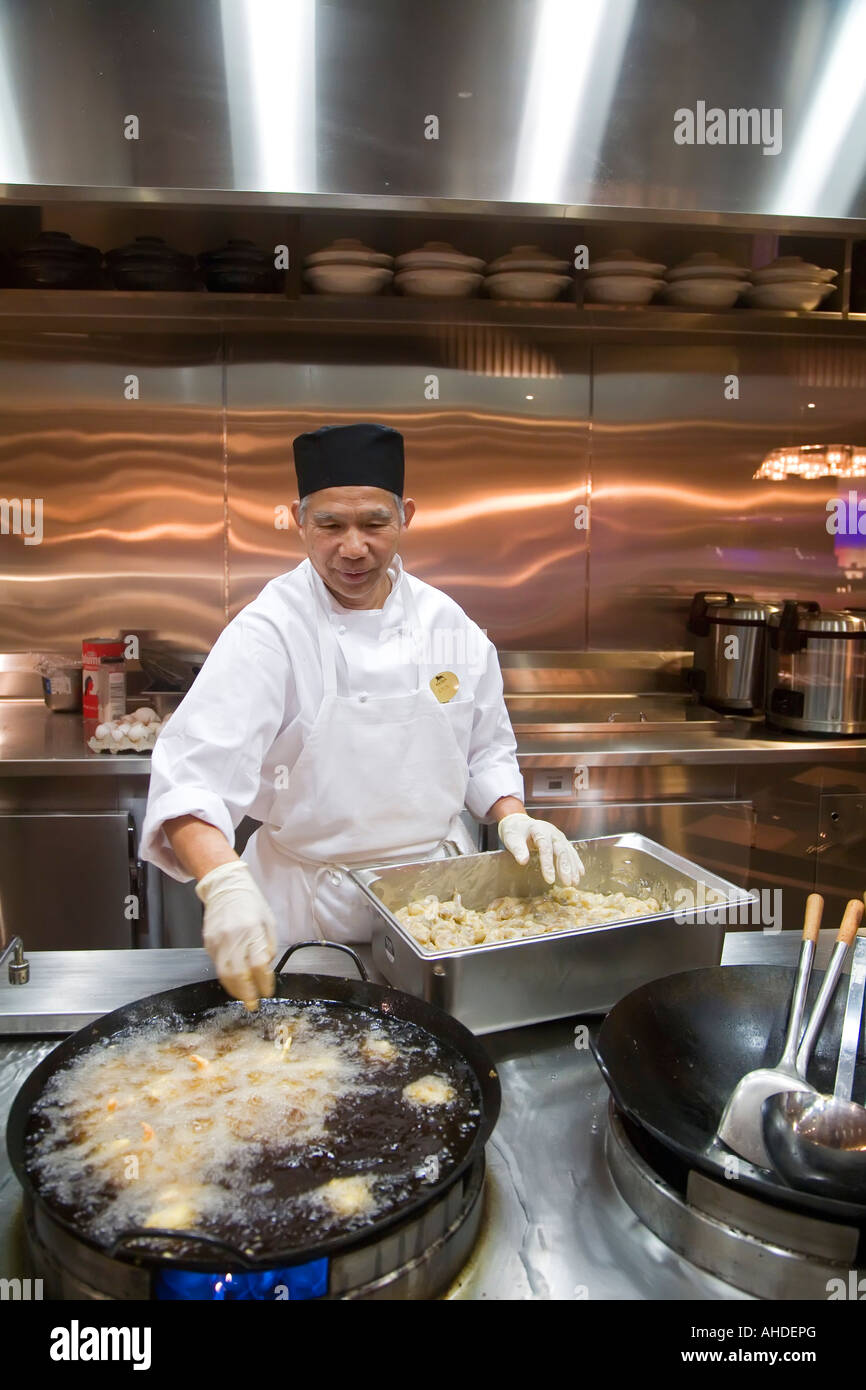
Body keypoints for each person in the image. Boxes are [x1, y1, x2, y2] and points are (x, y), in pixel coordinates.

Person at [141, 422, 584, 1007]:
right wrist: (223, 883)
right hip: (307, 920)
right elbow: (191, 780)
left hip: (438, 913)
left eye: (375, 523)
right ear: (300, 521)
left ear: (407, 517)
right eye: (330, 525)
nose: (354, 548)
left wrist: (512, 816)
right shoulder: (270, 631)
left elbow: (484, 749)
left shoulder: (445, 625)